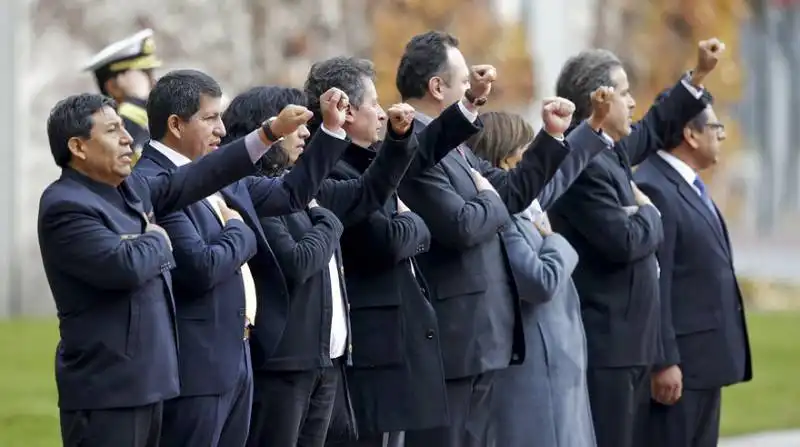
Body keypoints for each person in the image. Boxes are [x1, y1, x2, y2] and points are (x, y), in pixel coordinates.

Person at [239, 56, 484, 447]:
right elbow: (374, 240)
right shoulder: (309, 175)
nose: (382, 112)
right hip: (303, 359)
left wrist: (462, 106)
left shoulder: (347, 167)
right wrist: (333, 221)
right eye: (373, 102)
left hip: (333, 357)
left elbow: (387, 182)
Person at [38, 92, 305, 447]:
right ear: (78, 146)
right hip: (107, 392)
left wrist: (269, 133)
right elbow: (126, 266)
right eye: (112, 130)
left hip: (154, 383)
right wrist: (158, 239)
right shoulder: (65, 205)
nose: (127, 138)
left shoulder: (129, 188)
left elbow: (200, 175)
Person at [133, 70, 358, 447]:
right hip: (196, 369)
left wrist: (332, 130)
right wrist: (240, 231)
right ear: (175, 123)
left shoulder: (216, 171)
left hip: (238, 358)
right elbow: (200, 267)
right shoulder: (152, 181)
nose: (221, 130)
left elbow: (290, 194)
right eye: (209, 118)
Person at [394, 30, 574, 447]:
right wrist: (490, 198)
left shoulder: (456, 148)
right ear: (437, 87)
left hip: (481, 338)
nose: (472, 98)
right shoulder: (413, 147)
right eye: (463, 87)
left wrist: (550, 137)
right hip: (453, 340)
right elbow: (462, 227)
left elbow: (509, 192)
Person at [545, 39, 723, 447]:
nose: (632, 102)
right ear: (600, 102)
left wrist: (698, 75)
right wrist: (650, 213)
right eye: (624, 94)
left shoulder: (609, 151)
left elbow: (656, 125)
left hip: (630, 344)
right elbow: (624, 241)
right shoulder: (584, 164)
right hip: (609, 347)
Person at [470, 90, 611, 447]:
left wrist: (592, 123)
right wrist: (556, 241)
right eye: (527, 151)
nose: (537, 159)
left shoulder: (524, 205)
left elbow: (560, 172)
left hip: (558, 371)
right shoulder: (504, 216)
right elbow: (539, 280)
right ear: (505, 162)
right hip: (534, 376)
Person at [634, 91, 752, 447]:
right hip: (679, 369)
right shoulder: (654, 186)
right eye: (715, 126)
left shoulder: (687, 185)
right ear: (690, 133)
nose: (722, 134)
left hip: (702, 366)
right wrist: (664, 360)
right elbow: (657, 281)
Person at [83, 29, 161, 153]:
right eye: (145, 76)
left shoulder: (155, 123)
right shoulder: (109, 136)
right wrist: (137, 103)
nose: (154, 82)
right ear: (113, 86)